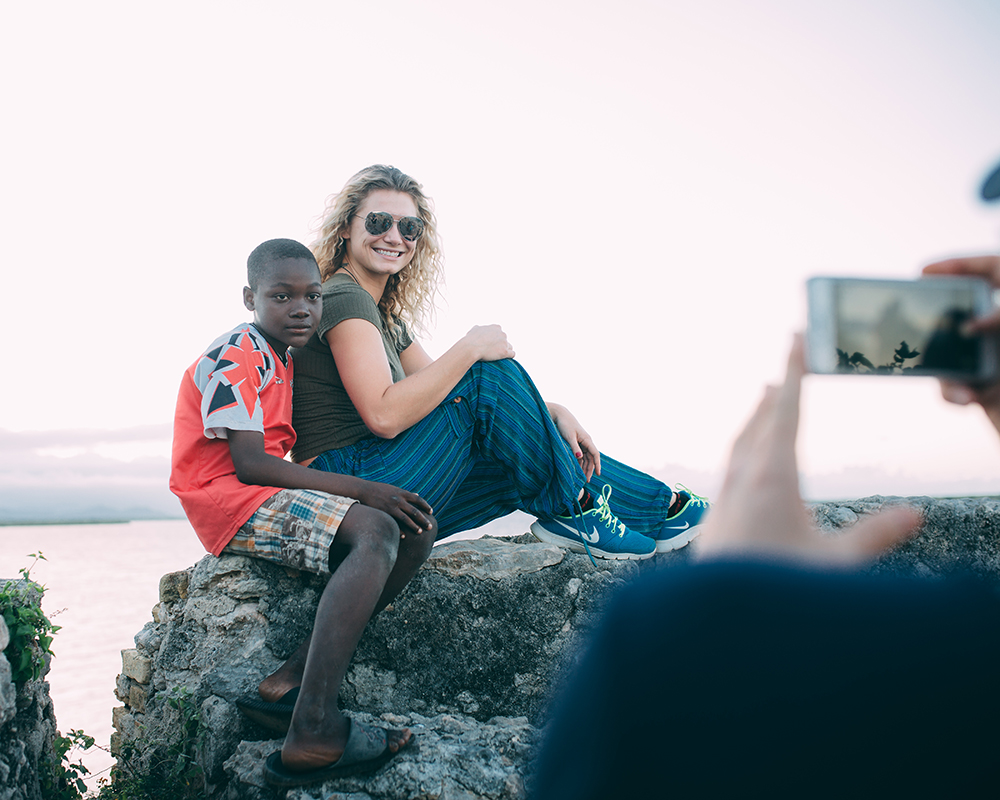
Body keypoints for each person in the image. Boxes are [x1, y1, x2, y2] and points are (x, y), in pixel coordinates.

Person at [532, 160, 1000, 798]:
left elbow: (669, 676)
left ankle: (627, 502)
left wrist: (728, 593)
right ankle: (609, 502)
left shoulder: (659, 641)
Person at [291, 164, 707, 561]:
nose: (394, 236)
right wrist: (470, 347)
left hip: (383, 485)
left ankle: (664, 511)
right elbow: (384, 414)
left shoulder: (384, 317)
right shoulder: (345, 296)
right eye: (379, 222)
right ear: (346, 227)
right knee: (488, 376)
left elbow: (442, 395)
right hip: (345, 490)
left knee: (522, 452)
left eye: (409, 227)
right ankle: (589, 509)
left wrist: (549, 413)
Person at [169, 239, 437, 787]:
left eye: (313, 297)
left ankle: (290, 682)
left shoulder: (281, 357)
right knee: (376, 529)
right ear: (250, 297)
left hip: (254, 493)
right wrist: (362, 489)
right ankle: (313, 725)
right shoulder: (236, 355)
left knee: (414, 528)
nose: (302, 308)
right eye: (282, 296)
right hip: (225, 498)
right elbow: (249, 464)